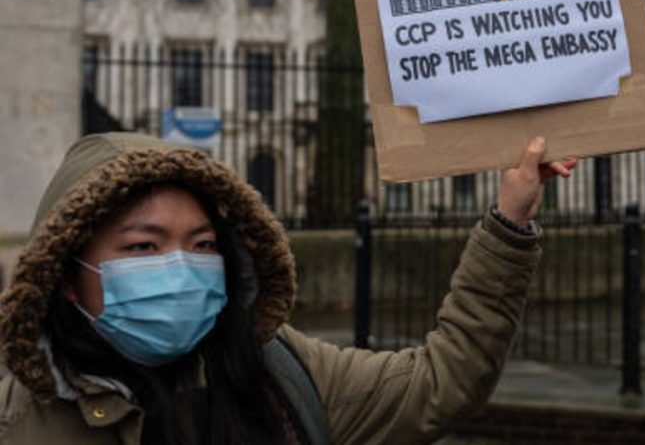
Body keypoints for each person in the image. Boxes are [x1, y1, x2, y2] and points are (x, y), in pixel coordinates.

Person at [0, 132, 576, 444]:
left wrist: (509, 221)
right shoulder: (16, 421)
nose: (179, 269)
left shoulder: (280, 372)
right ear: (67, 277)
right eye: (143, 248)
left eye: (202, 245)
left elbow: (440, 384)